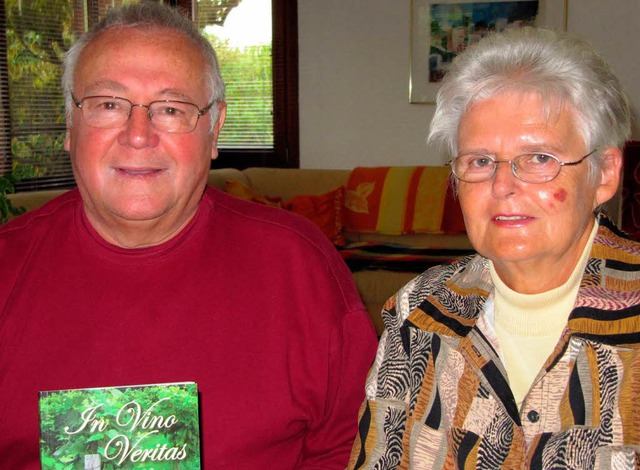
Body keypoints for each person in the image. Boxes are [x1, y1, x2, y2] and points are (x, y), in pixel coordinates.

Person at [0, 2, 377, 468]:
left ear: (214, 127)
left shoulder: (298, 263)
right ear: (69, 124)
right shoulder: (6, 268)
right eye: (109, 104)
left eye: (171, 108)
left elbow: (354, 448)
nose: (138, 135)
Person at [348, 27, 640, 469]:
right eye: (480, 161)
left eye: (540, 158)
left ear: (604, 174)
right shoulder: (420, 313)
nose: (502, 186)